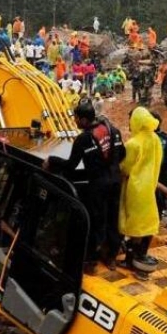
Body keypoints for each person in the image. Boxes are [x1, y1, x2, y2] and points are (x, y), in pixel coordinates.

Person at [46, 99, 125, 270]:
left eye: (75, 118)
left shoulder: (84, 138)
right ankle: (111, 257)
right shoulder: (114, 131)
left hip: (98, 186)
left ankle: (90, 261)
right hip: (115, 183)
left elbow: (70, 165)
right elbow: (122, 154)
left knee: (97, 221)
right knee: (113, 219)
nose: (74, 122)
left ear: (83, 120)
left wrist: (51, 160)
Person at [119, 106, 162, 275]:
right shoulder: (155, 139)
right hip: (150, 185)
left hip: (135, 188)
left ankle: (130, 260)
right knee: (147, 222)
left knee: (134, 224)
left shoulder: (133, 143)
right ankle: (140, 255)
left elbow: (125, 168)